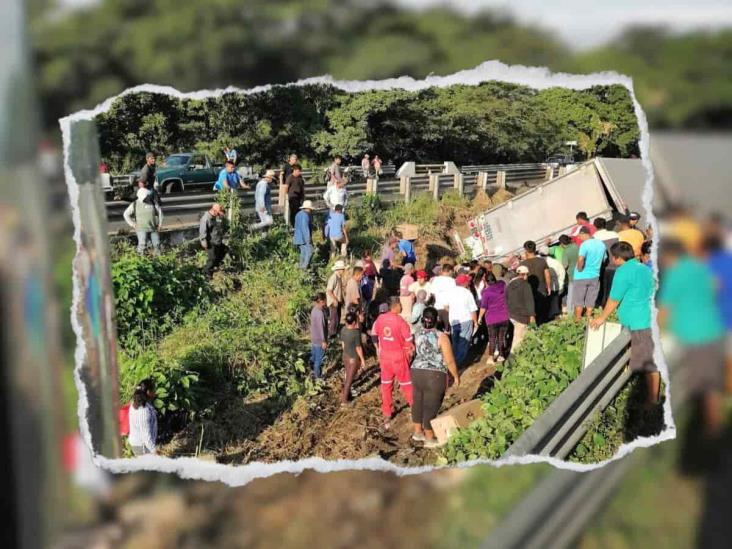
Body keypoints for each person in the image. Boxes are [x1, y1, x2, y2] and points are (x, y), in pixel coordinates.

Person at [658, 239, 726, 436]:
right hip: (712, 328)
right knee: (709, 382)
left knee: (706, 386)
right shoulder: (699, 267)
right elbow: (716, 286)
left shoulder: (675, 274)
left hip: (696, 336)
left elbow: (665, 310)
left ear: (670, 256)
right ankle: (709, 427)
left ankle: (713, 433)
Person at [591, 242, 658, 405]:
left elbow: (614, 299)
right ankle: (647, 395)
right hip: (648, 317)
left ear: (616, 258)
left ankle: (651, 400)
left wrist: (602, 318)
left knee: (646, 361)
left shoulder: (623, 272)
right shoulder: (644, 268)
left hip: (635, 321)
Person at [410, 307, 460, 448]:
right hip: (434, 375)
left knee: (418, 401)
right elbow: (449, 360)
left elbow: (412, 351)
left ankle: (418, 432)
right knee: (431, 405)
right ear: (436, 320)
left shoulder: (416, 333)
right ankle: (430, 438)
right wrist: (456, 376)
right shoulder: (441, 337)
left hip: (416, 371)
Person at [372, 297, 415, 429]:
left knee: (386, 386)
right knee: (406, 384)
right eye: (400, 305)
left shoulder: (379, 320)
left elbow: (375, 335)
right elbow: (408, 340)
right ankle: (414, 407)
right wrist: (410, 352)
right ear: (395, 306)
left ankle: (387, 413)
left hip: (385, 357)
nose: (401, 307)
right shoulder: (400, 321)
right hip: (399, 357)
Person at [572, 226, 607, 319]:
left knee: (578, 300)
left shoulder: (584, 245)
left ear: (584, 234)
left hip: (581, 276)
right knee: (591, 299)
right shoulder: (601, 244)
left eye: (579, 235)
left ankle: (578, 321)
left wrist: (580, 268)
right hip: (595, 276)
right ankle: (588, 318)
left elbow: (580, 259)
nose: (578, 238)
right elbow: (604, 259)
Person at [478, 272, 511, 363]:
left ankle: (491, 357)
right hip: (504, 316)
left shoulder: (486, 292)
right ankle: (501, 355)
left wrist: (480, 317)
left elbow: (483, 307)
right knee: (501, 337)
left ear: (486, 281)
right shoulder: (502, 285)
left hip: (492, 318)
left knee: (492, 338)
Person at [447, 274, 479, 367]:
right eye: (467, 281)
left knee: (455, 342)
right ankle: (457, 364)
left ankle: (452, 361)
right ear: (464, 283)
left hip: (453, 320)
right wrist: (476, 322)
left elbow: (446, 306)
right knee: (463, 343)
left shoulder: (450, 292)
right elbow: (473, 310)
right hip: (465, 320)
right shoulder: (467, 293)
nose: (469, 282)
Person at [520, 240, 552, 324]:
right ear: (535, 249)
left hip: (529, 292)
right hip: (542, 289)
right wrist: (548, 286)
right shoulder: (542, 261)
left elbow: (521, 279)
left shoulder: (522, 264)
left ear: (525, 250)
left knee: (533, 313)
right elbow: (547, 275)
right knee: (543, 312)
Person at [123, 188, 163, 256]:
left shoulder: (153, 202)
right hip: (141, 229)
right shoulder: (135, 204)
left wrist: (160, 225)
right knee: (142, 245)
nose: (147, 198)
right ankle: (141, 260)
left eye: (148, 196)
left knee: (157, 244)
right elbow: (126, 214)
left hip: (153, 228)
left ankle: (158, 260)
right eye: (146, 197)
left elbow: (160, 213)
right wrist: (133, 224)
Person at [506, 265, 535, 350]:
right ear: (525, 274)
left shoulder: (510, 284)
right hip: (521, 315)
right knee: (518, 339)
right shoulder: (525, 285)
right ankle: (512, 358)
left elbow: (506, 297)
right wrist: (532, 315)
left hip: (510, 314)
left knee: (519, 335)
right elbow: (529, 301)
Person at [340, 311, 366, 404]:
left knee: (347, 376)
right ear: (354, 322)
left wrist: (345, 352)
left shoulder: (343, 329)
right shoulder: (356, 333)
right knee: (349, 381)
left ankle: (346, 394)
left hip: (345, 356)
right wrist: (362, 360)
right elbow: (358, 348)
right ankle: (344, 401)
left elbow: (342, 344)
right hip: (353, 359)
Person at [199, 203, 229, 277]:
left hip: (218, 241)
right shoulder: (206, 218)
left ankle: (216, 265)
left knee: (224, 250)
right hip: (210, 242)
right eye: (218, 213)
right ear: (214, 211)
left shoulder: (217, 216)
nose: (219, 215)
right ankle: (206, 273)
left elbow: (220, 227)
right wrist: (204, 243)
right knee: (211, 259)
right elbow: (203, 232)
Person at [128, 388, 157, 456]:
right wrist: (154, 451)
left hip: (136, 442)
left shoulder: (134, 404)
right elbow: (146, 437)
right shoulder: (143, 413)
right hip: (142, 447)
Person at [431, 263, 456, 332]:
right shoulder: (452, 281)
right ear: (450, 271)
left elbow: (433, 293)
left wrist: (439, 299)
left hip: (437, 308)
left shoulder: (435, 280)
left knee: (437, 331)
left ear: (442, 270)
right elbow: (454, 295)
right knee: (447, 330)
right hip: (448, 309)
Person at [325, 260, 347, 338]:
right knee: (334, 319)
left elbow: (339, 290)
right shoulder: (333, 277)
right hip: (333, 302)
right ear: (339, 269)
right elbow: (329, 290)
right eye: (342, 269)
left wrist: (342, 300)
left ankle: (335, 333)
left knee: (337, 317)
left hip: (338, 301)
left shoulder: (339, 277)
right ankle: (331, 334)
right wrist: (334, 299)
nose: (343, 270)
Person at [310, 293, 328, 378]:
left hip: (314, 338)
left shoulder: (314, 310)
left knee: (314, 357)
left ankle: (312, 371)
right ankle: (318, 377)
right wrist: (323, 341)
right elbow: (321, 328)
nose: (326, 301)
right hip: (319, 340)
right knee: (319, 360)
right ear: (322, 301)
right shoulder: (320, 313)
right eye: (325, 300)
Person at [293, 199, 313, 270]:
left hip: (298, 238)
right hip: (304, 238)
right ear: (308, 208)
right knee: (309, 251)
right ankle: (304, 267)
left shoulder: (298, 214)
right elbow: (305, 228)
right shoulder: (305, 216)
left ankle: (301, 266)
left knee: (303, 252)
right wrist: (308, 240)